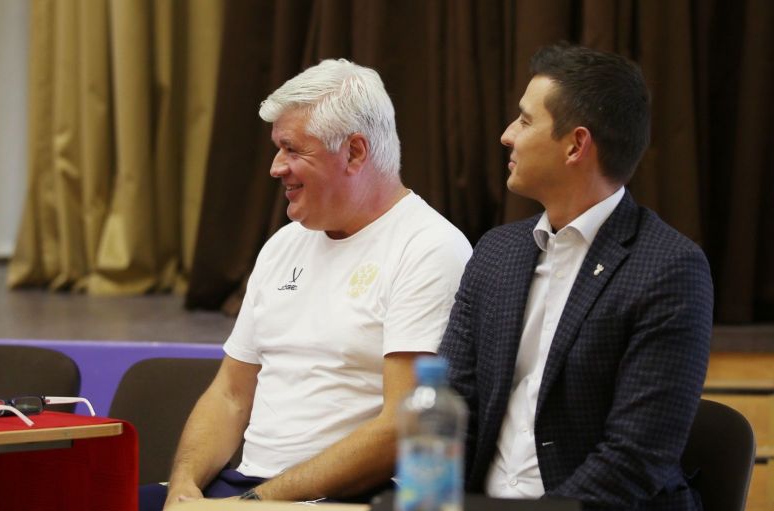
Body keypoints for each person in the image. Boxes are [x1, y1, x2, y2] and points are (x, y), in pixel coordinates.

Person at [140, 59, 472, 510]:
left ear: (355, 152)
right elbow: (230, 395)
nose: (276, 167)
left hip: (343, 498)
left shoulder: (429, 247)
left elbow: (401, 424)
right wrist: (184, 488)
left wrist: (255, 503)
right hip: (250, 490)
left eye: (292, 149)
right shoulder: (283, 245)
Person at [438, 43, 713, 510]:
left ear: (575, 145)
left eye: (525, 121)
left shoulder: (669, 269)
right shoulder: (496, 252)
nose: (506, 135)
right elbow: (452, 408)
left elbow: (635, 458)